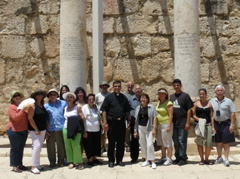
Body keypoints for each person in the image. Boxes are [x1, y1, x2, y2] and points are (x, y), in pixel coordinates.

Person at [101, 81, 131, 168]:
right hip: (111, 123)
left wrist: (129, 121)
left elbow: (127, 111)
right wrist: (105, 122)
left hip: (121, 123)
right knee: (111, 143)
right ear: (113, 87)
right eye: (115, 86)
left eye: (118, 86)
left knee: (121, 143)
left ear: (121, 87)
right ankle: (111, 160)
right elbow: (104, 110)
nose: (117, 87)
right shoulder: (109, 97)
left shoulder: (124, 97)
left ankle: (119, 160)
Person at [210, 85, 236, 167]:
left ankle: (226, 158)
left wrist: (232, 124)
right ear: (215, 92)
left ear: (224, 92)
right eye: (218, 90)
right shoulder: (212, 101)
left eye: (221, 90)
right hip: (217, 123)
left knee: (226, 142)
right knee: (218, 142)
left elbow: (233, 113)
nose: (220, 92)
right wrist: (212, 126)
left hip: (226, 123)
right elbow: (211, 114)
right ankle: (219, 157)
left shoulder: (229, 101)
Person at [170, 79, 193, 166]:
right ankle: (177, 157)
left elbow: (189, 110)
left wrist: (188, 122)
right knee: (175, 141)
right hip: (174, 123)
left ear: (180, 86)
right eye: (174, 85)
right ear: (173, 86)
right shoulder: (172, 97)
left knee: (182, 141)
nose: (176, 87)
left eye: (177, 85)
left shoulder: (185, 96)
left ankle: (183, 157)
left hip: (183, 122)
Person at [188, 88, 213, 165]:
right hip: (198, 125)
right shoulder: (196, 104)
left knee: (208, 143)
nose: (202, 95)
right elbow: (191, 114)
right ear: (199, 95)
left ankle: (207, 159)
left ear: (206, 95)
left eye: (203, 94)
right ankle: (202, 159)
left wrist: (213, 126)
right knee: (199, 142)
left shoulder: (210, 104)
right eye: (200, 94)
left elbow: (211, 116)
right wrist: (199, 120)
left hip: (208, 125)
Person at [6, 91, 28, 173]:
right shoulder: (12, 107)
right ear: (12, 98)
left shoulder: (21, 106)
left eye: (18, 95)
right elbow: (15, 117)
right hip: (14, 131)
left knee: (21, 148)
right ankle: (14, 165)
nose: (17, 96)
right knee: (15, 149)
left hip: (23, 130)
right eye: (15, 96)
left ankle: (19, 164)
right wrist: (23, 110)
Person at [44, 89, 67, 167]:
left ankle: (61, 161)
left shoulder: (63, 103)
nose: (52, 96)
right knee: (50, 147)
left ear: (57, 95)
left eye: (54, 94)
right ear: (49, 96)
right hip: (50, 129)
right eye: (51, 95)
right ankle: (52, 162)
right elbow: (44, 118)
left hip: (60, 128)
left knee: (61, 146)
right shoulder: (46, 106)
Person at [134, 93, 157, 169]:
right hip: (141, 128)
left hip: (149, 128)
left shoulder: (151, 107)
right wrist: (135, 130)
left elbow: (154, 118)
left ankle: (153, 160)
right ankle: (146, 159)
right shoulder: (138, 108)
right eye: (141, 98)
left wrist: (154, 129)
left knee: (150, 144)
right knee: (143, 144)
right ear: (139, 99)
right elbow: (136, 120)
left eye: (144, 98)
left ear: (147, 99)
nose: (143, 99)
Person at [62, 92, 85, 170]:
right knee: (68, 146)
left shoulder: (77, 107)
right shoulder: (65, 108)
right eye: (68, 97)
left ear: (74, 98)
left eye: (71, 97)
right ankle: (71, 161)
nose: (69, 98)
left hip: (75, 129)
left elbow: (83, 118)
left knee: (76, 146)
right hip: (65, 128)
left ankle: (79, 162)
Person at [28, 89, 48, 174]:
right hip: (35, 130)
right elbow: (30, 118)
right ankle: (33, 166)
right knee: (36, 146)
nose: (39, 96)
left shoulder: (42, 105)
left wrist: (46, 126)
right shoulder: (32, 106)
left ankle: (37, 164)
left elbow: (43, 116)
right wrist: (36, 129)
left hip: (43, 129)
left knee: (39, 147)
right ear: (34, 96)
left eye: (41, 94)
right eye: (37, 94)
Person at [82, 94, 102, 166]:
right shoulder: (84, 107)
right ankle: (89, 159)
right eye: (90, 99)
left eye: (92, 99)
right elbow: (83, 119)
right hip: (88, 130)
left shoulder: (96, 107)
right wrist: (84, 131)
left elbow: (99, 117)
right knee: (88, 145)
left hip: (96, 129)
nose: (91, 101)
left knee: (96, 145)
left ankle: (94, 158)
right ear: (87, 100)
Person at [156, 88, 173, 166]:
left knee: (168, 142)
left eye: (163, 93)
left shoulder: (168, 103)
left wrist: (169, 125)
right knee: (162, 142)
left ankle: (169, 158)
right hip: (159, 124)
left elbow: (170, 115)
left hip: (166, 124)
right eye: (160, 93)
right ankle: (163, 157)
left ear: (166, 94)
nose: (161, 95)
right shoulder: (158, 103)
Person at [128, 84, 143, 163]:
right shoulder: (130, 99)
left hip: (143, 120)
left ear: (141, 90)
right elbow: (127, 111)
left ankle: (145, 157)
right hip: (133, 120)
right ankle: (134, 157)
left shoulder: (144, 98)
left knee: (144, 139)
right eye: (136, 89)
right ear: (134, 90)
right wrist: (128, 121)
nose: (137, 90)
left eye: (139, 89)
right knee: (134, 139)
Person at [95, 81, 110, 154]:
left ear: (107, 87)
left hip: (108, 115)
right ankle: (102, 146)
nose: (104, 87)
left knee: (109, 131)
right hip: (100, 115)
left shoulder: (110, 95)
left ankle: (109, 146)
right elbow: (95, 105)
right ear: (100, 87)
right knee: (101, 132)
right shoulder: (97, 96)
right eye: (103, 86)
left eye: (105, 85)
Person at [123, 81, 135, 152]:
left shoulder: (136, 94)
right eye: (128, 85)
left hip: (134, 116)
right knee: (127, 131)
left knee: (134, 131)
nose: (130, 86)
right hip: (126, 116)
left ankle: (133, 144)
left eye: (131, 85)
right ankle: (127, 145)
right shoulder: (124, 95)